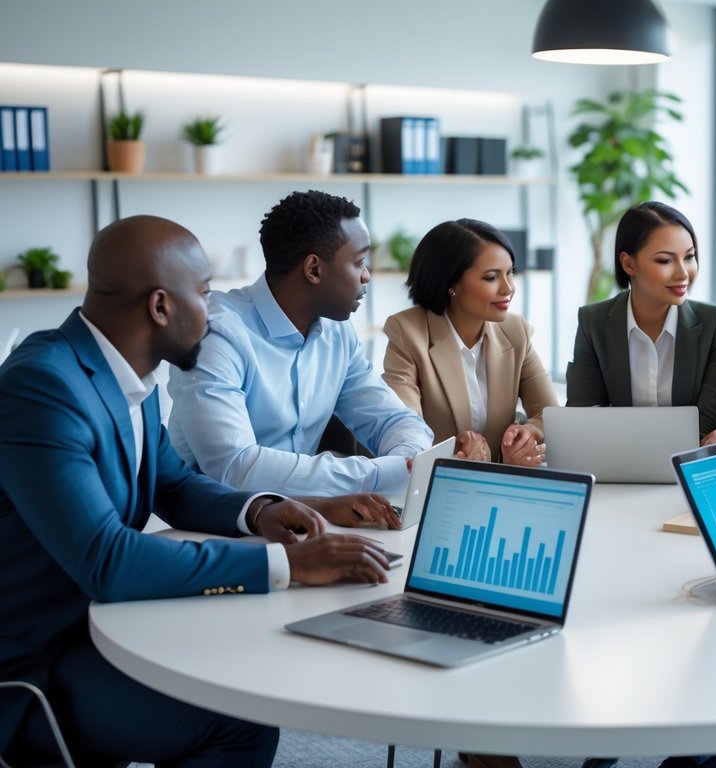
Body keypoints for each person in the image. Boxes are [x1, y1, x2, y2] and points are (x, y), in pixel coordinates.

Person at [0, 216, 392, 767]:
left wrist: (262, 511)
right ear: (161, 307)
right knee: (239, 720)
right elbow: (107, 559)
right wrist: (289, 564)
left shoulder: (125, 375)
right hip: (35, 657)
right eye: (205, 294)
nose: (213, 313)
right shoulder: (44, 386)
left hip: (98, 622)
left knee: (244, 663)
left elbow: (173, 484)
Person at [168, 190, 434, 496]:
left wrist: (408, 461)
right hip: (214, 517)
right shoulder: (216, 334)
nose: (367, 276)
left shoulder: (337, 334)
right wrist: (378, 474)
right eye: (360, 262)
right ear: (313, 270)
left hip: (306, 513)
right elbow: (236, 468)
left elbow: (395, 421)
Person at [382, 219, 555, 465]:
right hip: (434, 480)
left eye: (510, 273)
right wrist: (452, 451)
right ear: (450, 283)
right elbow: (403, 430)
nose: (508, 288)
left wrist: (529, 434)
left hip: (502, 481)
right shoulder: (408, 333)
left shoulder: (516, 331)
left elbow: (550, 415)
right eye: (491, 277)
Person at [566, 201, 716, 445]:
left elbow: (710, 418)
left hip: (688, 459)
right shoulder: (593, 322)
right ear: (628, 264)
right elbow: (584, 412)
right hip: (617, 459)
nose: (683, 273)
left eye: (689, 257)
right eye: (665, 260)